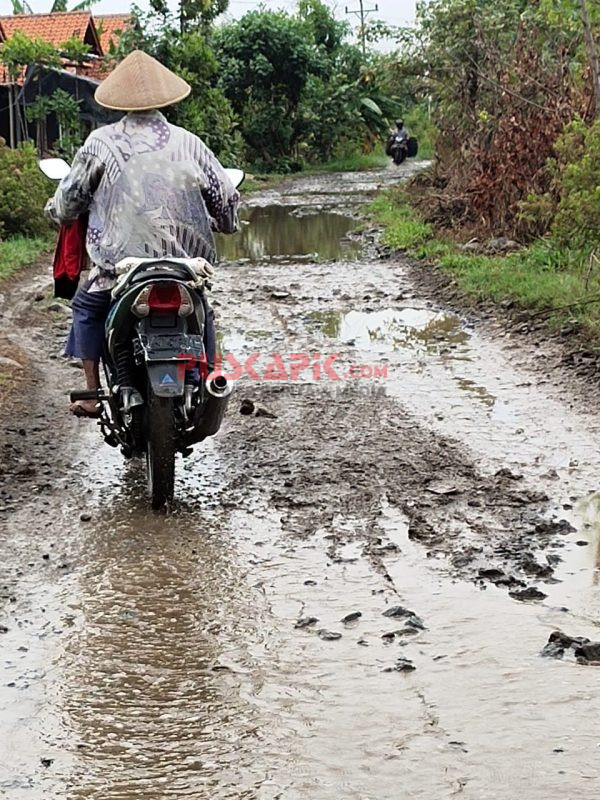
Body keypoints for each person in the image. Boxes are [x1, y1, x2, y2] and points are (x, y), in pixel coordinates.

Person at [45, 50, 240, 417]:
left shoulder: (100, 143)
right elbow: (226, 201)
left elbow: (69, 202)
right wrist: (224, 224)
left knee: (86, 306)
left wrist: (54, 212)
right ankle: (213, 377)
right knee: (204, 311)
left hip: (119, 273)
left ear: (121, 101)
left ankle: (90, 393)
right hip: (183, 269)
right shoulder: (191, 144)